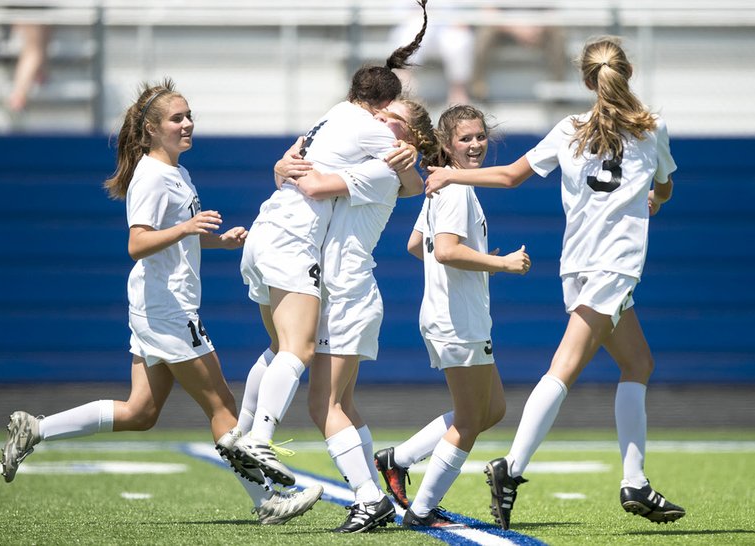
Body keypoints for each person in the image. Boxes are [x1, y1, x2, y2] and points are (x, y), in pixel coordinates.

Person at [0, 78, 323, 525]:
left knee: (141, 412)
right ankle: (266, 502)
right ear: (151, 130)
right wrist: (188, 230)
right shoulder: (151, 177)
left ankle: (36, 428)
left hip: (157, 305)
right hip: (168, 309)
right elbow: (138, 243)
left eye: (189, 116)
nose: (188, 124)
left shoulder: (176, 172)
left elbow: (168, 241)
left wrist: (216, 242)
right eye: (177, 118)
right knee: (223, 408)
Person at [425, 36, 684, 528]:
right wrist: (655, 199)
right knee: (564, 367)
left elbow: (508, 178)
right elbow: (666, 186)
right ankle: (512, 468)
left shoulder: (570, 128)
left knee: (638, 362)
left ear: (587, 81)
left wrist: (451, 176)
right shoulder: (653, 128)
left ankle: (635, 480)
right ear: (625, 74)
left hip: (577, 266)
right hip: (614, 267)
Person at [215, 0, 429, 492]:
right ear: (378, 108)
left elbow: (306, 163)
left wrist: (409, 158)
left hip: (284, 241)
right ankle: (259, 440)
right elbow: (395, 183)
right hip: (296, 245)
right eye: (388, 117)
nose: (388, 128)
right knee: (301, 355)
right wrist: (407, 157)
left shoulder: (333, 119)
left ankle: (246, 435)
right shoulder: (376, 138)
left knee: (291, 359)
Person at [273, 98, 438, 533]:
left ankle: (368, 498)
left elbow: (313, 184)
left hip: (347, 295)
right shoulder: (385, 164)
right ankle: (374, 494)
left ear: (410, 137)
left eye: (392, 120)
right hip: (348, 294)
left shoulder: (382, 167)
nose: (379, 122)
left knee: (321, 404)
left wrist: (291, 162)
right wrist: (283, 163)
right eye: (380, 115)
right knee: (341, 404)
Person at [370, 105, 530, 529]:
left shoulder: (444, 183)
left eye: (479, 137)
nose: (475, 145)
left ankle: (397, 459)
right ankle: (421, 512)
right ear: (446, 143)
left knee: (491, 408)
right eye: (465, 139)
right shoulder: (455, 188)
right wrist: (502, 264)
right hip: (456, 320)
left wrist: (478, 258)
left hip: (456, 316)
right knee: (471, 419)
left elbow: (415, 246)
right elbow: (444, 251)